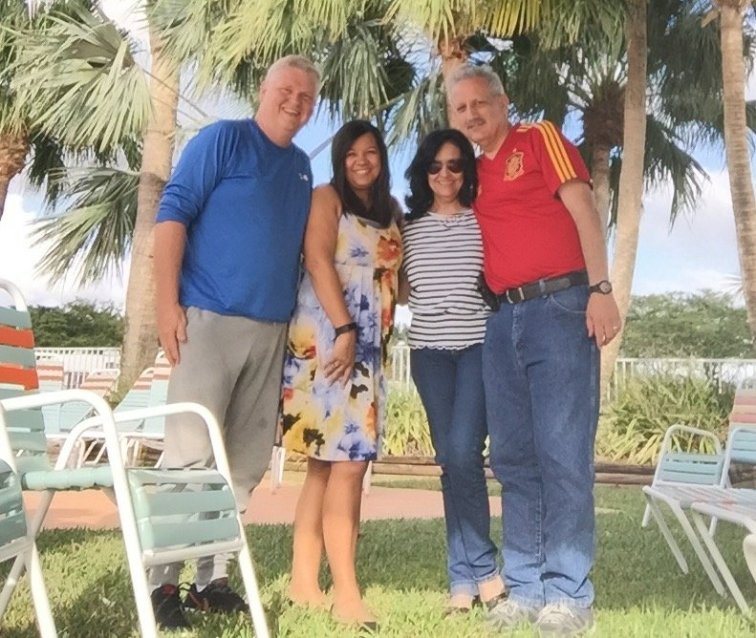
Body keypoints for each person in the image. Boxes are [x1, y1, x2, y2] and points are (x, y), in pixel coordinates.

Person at [447, 64, 621, 637]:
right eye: (460, 108)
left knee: (563, 452)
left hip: (561, 306)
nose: (471, 114)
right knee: (514, 457)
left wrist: (601, 290)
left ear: (503, 103)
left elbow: (584, 208)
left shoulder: (538, 138)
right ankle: (524, 589)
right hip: (502, 319)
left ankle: (569, 595)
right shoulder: (470, 173)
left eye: (480, 103)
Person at [151, 54, 319, 630]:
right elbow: (172, 215)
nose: (295, 102)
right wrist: (166, 305)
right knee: (190, 458)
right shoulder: (223, 140)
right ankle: (162, 584)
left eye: (306, 96)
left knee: (243, 464)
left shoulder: (302, 168)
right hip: (207, 322)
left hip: (271, 332)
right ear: (263, 91)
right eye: (286, 90)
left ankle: (212, 580)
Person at [280, 120, 402, 630]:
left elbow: (400, 281)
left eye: (370, 152)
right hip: (330, 340)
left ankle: (303, 583)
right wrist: (346, 328)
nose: (361, 161)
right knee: (347, 463)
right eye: (351, 153)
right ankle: (347, 594)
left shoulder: (392, 209)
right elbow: (316, 259)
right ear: (339, 159)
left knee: (325, 466)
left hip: (369, 347)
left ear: (381, 158)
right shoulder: (327, 198)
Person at [400, 129, 506, 614]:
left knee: (464, 451)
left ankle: (482, 569)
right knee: (451, 460)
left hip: (477, 348)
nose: (445, 174)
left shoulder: (483, 219)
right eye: (435, 166)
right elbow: (396, 287)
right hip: (429, 354)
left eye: (455, 165)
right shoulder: (408, 228)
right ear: (424, 172)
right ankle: (462, 581)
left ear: (468, 170)